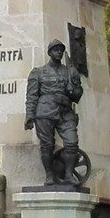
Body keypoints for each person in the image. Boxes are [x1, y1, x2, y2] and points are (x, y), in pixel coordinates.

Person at [24, 39, 84, 185]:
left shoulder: (70, 71)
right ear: (49, 52)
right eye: (55, 50)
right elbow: (32, 96)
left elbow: (78, 94)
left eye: (60, 50)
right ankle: (49, 175)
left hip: (65, 111)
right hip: (45, 111)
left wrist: (73, 91)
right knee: (47, 145)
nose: (58, 52)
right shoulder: (38, 72)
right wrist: (29, 116)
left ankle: (69, 174)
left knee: (72, 143)